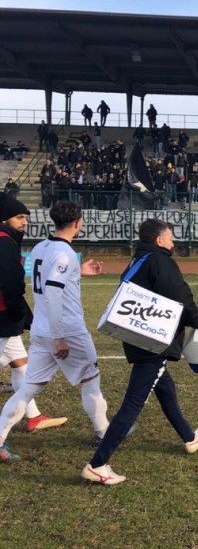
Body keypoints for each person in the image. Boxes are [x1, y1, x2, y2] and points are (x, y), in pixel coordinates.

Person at [82, 218, 198, 485]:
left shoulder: (136, 261)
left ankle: (189, 437)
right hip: (153, 343)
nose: (173, 242)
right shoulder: (160, 261)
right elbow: (180, 295)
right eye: (170, 237)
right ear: (159, 240)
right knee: (132, 404)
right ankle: (97, 464)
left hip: (138, 337)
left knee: (166, 390)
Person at [0, 201, 111, 462]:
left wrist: (78, 272)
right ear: (77, 223)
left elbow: (48, 279)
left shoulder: (40, 247)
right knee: (90, 380)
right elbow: (52, 291)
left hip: (40, 329)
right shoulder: (65, 254)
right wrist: (59, 335)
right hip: (66, 330)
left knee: (28, 388)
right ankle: (104, 432)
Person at [0, 196, 68, 462]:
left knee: (21, 365)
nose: (25, 222)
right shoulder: (4, 243)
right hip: (3, 317)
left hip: (6, 316)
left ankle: (34, 416)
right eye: (20, 218)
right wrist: (19, 313)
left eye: (26, 217)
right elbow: (11, 283)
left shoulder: (7, 240)